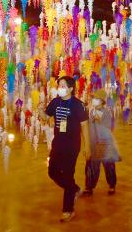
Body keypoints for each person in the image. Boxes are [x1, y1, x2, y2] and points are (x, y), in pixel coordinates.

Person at [45, 75, 91, 222]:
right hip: (57, 143)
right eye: (59, 86)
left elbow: (84, 126)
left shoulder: (78, 105)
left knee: (67, 174)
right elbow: (46, 116)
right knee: (52, 172)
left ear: (71, 88)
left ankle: (68, 210)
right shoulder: (55, 102)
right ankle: (74, 189)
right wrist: (39, 111)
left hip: (72, 146)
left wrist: (87, 146)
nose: (60, 88)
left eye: (63, 86)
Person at [82, 90, 120, 196]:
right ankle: (89, 187)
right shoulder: (92, 111)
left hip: (104, 143)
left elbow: (107, 128)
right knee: (91, 166)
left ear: (102, 101)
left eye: (96, 98)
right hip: (93, 142)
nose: (93, 100)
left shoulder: (106, 112)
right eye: (93, 98)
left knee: (108, 165)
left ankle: (112, 184)